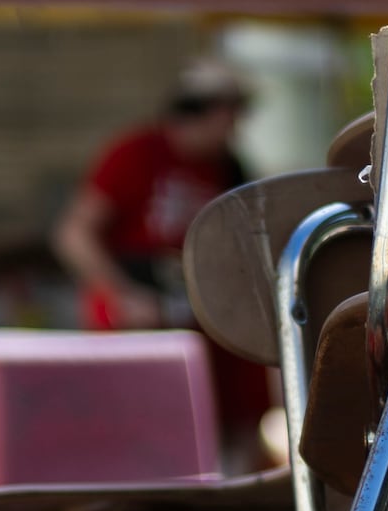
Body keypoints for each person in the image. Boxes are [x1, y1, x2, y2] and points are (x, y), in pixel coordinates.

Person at [52, 58, 251, 330]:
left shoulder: (229, 168)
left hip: (190, 308)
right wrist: (123, 294)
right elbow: (74, 235)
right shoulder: (136, 152)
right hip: (130, 306)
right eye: (233, 115)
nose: (235, 127)